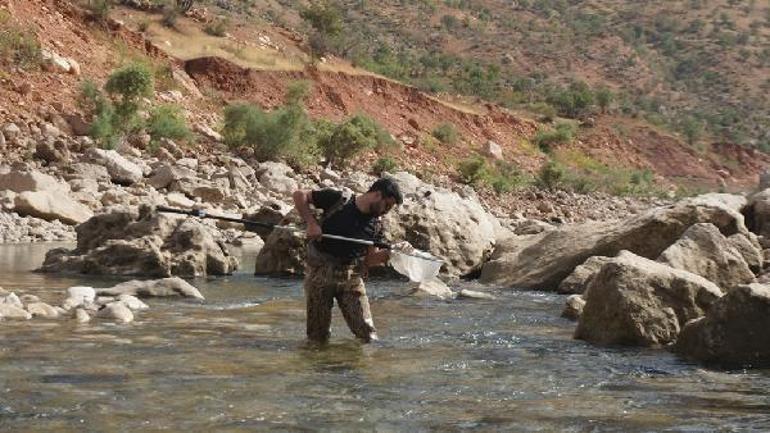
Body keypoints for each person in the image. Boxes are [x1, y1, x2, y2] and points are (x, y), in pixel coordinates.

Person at [292, 177, 403, 344]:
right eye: (387, 205)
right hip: (320, 275)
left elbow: (370, 260)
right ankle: (318, 369)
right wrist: (311, 224)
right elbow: (300, 195)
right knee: (317, 337)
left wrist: (391, 253)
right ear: (377, 195)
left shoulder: (376, 225)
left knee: (368, 336)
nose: (386, 211)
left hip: (352, 279)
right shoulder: (338, 200)